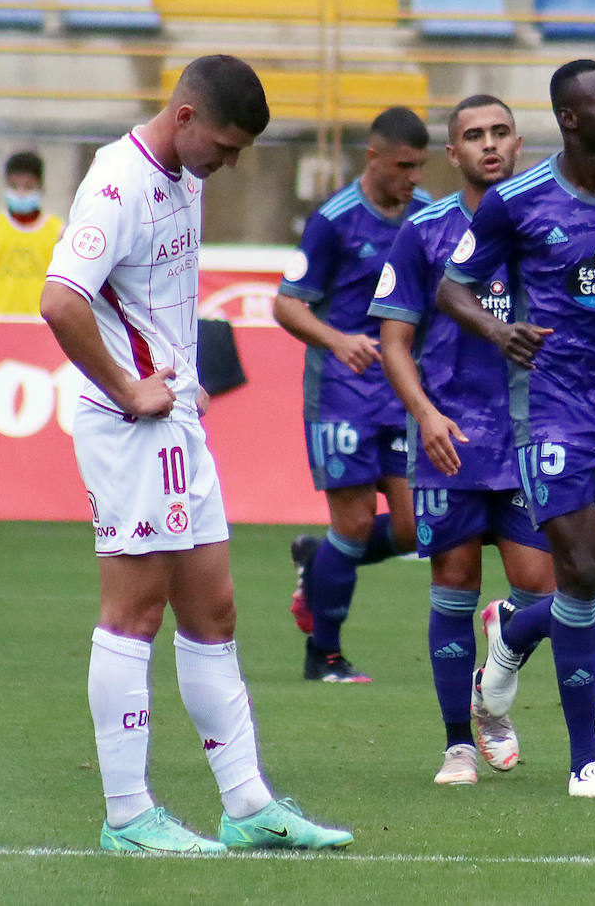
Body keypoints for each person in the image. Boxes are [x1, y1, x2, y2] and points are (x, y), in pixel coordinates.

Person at [39, 54, 353, 854]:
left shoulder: (186, 175)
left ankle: (247, 805)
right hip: (131, 429)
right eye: (225, 143)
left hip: (178, 426)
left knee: (213, 611)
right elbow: (59, 299)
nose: (229, 161)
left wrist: (180, 378)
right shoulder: (116, 184)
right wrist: (128, 386)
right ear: (183, 117)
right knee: (134, 613)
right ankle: (126, 814)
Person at [437, 60, 595, 797]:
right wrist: (499, 331)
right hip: (549, 408)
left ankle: (512, 635)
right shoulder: (515, 203)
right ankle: (587, 759)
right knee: (577, 572)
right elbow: (452, 288)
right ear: (571, 118)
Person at [368, 95, 555, 786]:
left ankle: (495, 675)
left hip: (535, 438)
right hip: (452, 438)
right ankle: (459, 744)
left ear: (519, 142)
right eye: (473, 135)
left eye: (500, 132)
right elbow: (393, 339)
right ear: (453, 154)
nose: (489, 144)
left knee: (547, 594)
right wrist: (424, 414)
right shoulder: (423, 232)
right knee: (451, 583)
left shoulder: (547, 224)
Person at [274, 107, 433, 683]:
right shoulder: (334, 220)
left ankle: (320, 563)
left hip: (403, 391)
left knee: (422, 528)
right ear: (373, 157)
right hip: (342, 392)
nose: (413, 177)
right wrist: (338, 340)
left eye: (420, 166)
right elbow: (286, 303)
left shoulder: (426, 214)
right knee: (357, 523)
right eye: (403, 166)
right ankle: (326, 655)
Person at [0, 150, 63, 313]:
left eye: (28, 187)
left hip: (40, 324)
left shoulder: (58, 231)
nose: (20, 193)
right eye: (14, 186)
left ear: (40, 187)